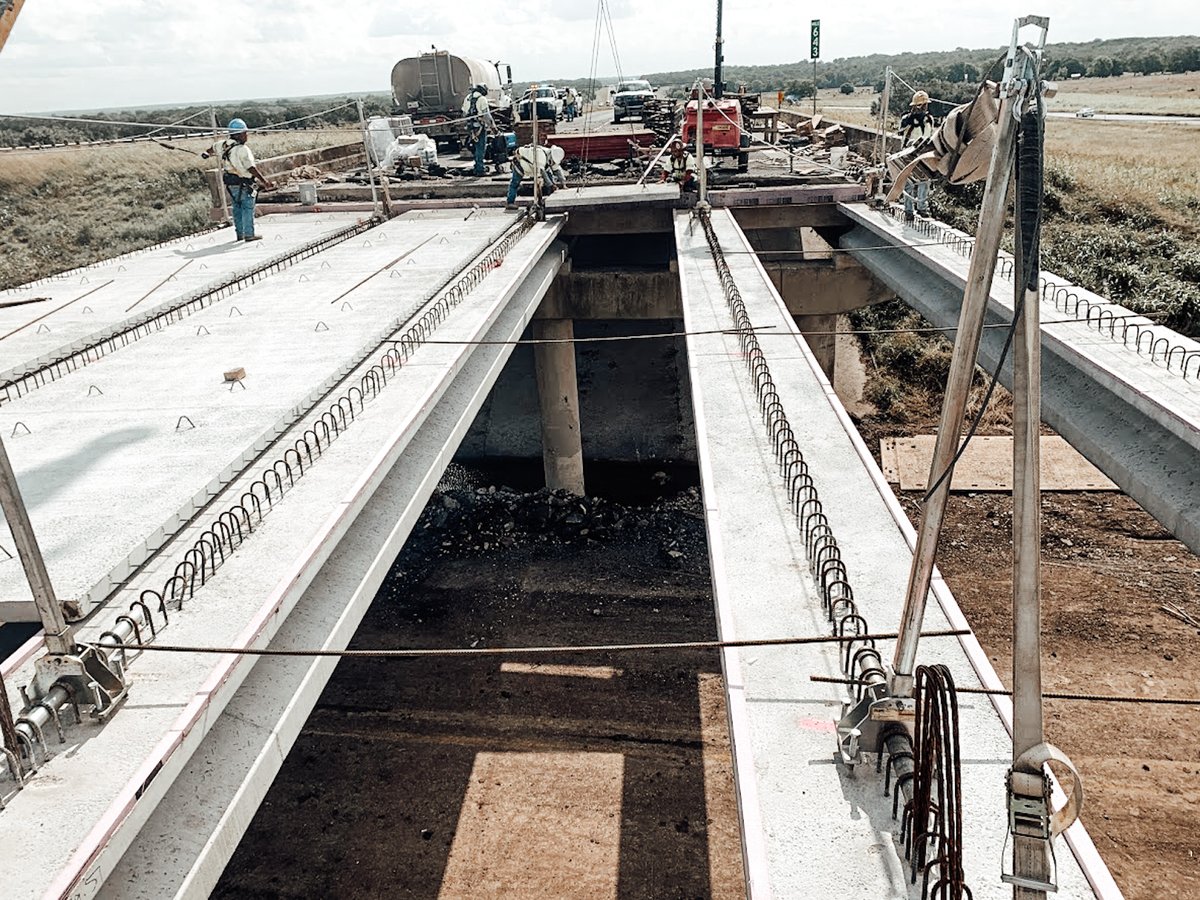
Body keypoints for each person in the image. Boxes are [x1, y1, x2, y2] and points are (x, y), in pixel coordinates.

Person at [201, 118, 275, 241]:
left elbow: (211, 149)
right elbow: (251, 168)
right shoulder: (242, 149)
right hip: (244, 182)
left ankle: (240, 234)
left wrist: (206, 154)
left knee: (237, 208)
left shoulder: (222, 145)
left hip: (231, 184)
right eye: (245, 133)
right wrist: (265, 182)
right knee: (247, 208)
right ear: (239, 134)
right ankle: (249, 234)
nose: (247, 136)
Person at [897, 90, 935, 217]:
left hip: (924, 153)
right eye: (921, 105)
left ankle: (922, 208)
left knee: (924, 181)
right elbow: (901, 133)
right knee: (909, 183)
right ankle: (908, 211)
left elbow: (929, 136)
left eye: (924, 106)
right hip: (909, 153)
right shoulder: (906, 119)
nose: (923, 108)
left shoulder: (929, 119)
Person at [505, 142, 566, 208]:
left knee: (549, 175)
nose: (553, 163)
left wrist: (563, 184)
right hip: (520, 163)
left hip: (533, 165)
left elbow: (557, 170)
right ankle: (510, 202)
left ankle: (551, 198)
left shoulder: (550, 156)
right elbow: (543, 173)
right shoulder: (541, 156)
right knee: (515, 183)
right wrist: (551, 185)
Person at [462, 84, 495, 176]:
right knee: (481, 148)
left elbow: (464, 113)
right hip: (479, 127)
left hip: (470, 127)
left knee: (475, 147)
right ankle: (480, 169)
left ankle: (477, 166)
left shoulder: (468, 98)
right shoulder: (482, 99)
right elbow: (486, 115)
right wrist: (493, 127)